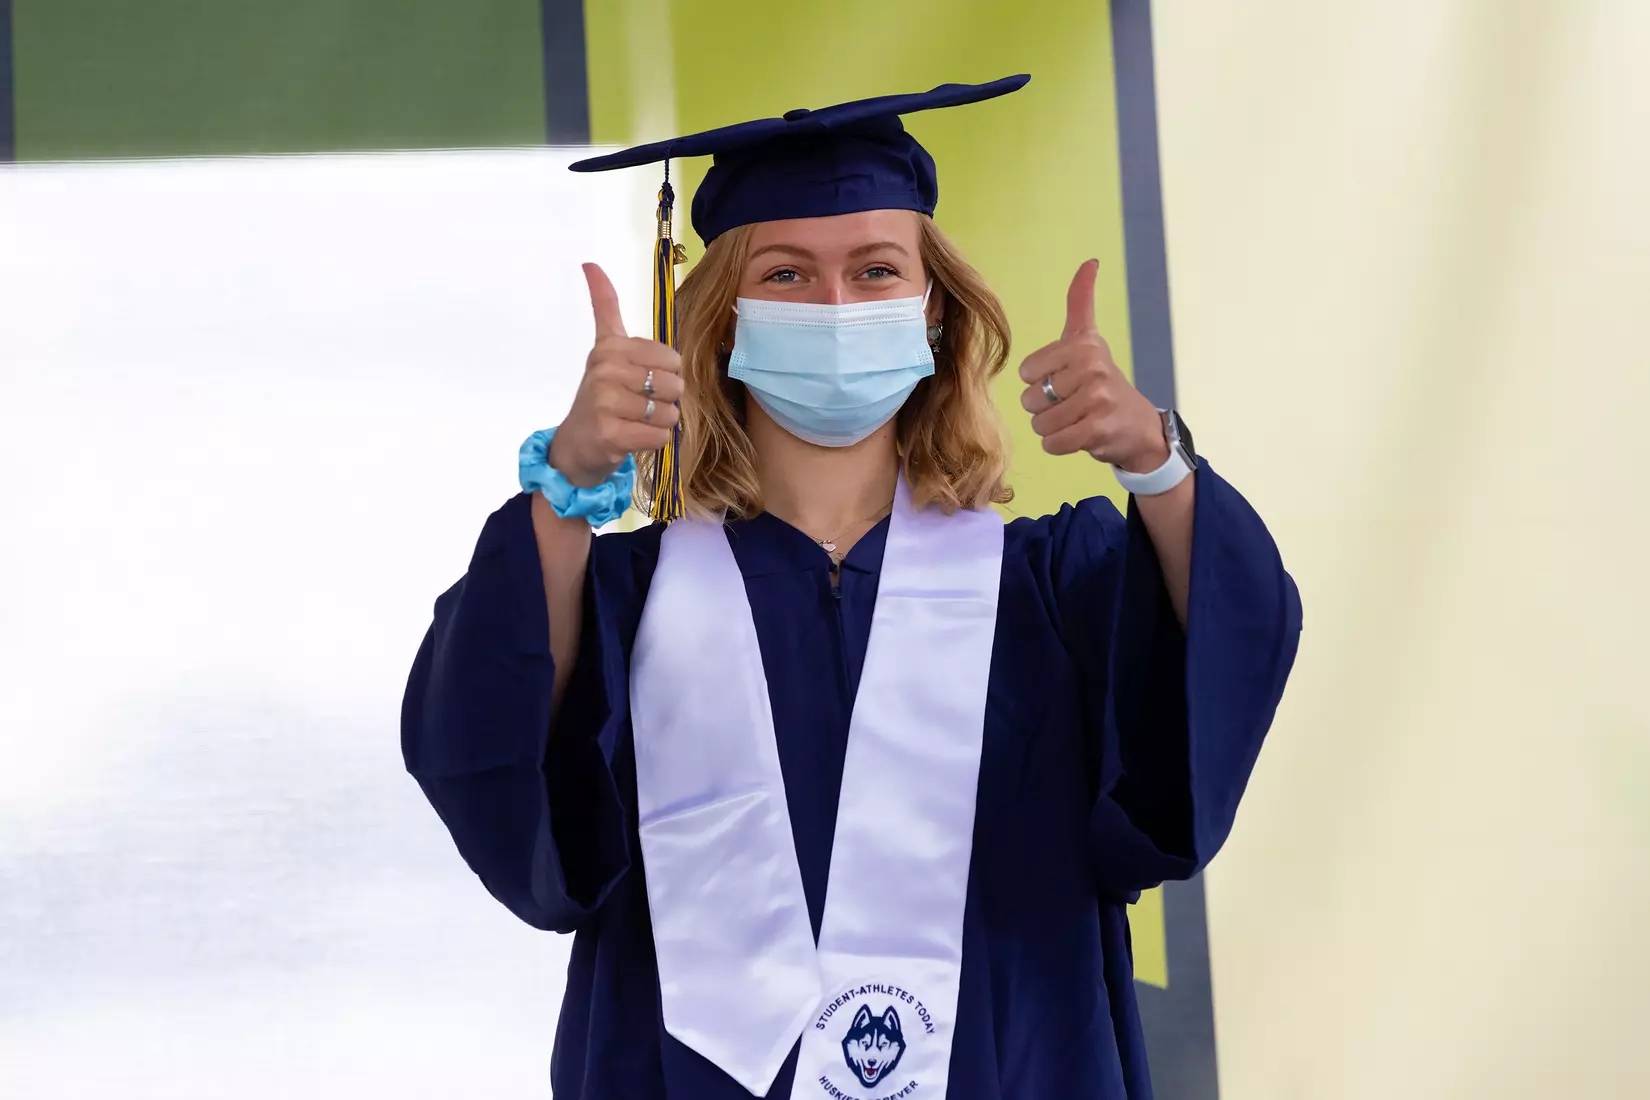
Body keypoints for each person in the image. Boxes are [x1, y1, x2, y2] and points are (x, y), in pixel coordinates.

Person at [402, 75, 1301, 1100]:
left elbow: (1233, 642)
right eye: (786, 275)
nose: (835, 305)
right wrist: (564, 486)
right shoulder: (626, 596)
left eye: (876, 270)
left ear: (933, 314)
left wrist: (1156, 457)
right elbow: (487, 735)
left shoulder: (1051, 587)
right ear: (724, 322)